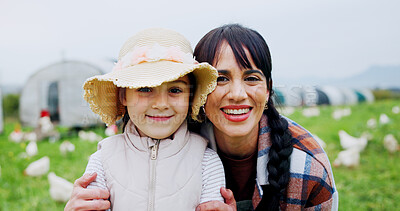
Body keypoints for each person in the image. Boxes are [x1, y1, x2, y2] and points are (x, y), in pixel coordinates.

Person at [66, 24, 338, 211]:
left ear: (268, 90)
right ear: (202, 92)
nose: (237, 94)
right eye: (221, 79)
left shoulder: (307, 170)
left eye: (252, 78)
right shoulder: (117, 152)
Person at [68, 28, 225, 210]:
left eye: (175, 90)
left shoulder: (206, 162)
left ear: (190, 97)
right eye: (144, 89)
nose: (160, 104)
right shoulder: (103, 160)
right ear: (123, 96)